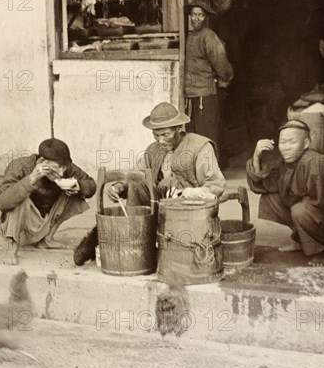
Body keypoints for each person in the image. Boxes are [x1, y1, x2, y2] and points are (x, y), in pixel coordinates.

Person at [74, 102, 226, 265]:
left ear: (178, 128)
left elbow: (216, 184)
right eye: (156, 135)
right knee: (136, 184)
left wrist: (192, 193)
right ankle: (133, 240)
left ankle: (136, 242)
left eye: (165, 134)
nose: (160, 140)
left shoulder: (200, 146)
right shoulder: (153, 150)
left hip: (187, 208)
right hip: (160, 204)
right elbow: (137, 175)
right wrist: (121, 186)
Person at [0, 138, 96, 265]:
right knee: (19, 198)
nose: (61, 173)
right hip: (18, 228)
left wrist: (79, 187)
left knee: (75, 190)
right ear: (42, 161)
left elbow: (91, 184)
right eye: (57, 167)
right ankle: (11, 248)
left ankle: (47, 239)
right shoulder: (19, 166)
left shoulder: (66, 168)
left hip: (43, 223)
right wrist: (31, 179)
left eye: (64, 167)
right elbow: (2, 202)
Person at [247, 119, 324, 266]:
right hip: (311, 213)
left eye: (292, 142)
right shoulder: (286, 162)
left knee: (299, 209)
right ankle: (302, 241)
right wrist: (256, 155)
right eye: (282, 142)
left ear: (306, 143)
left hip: (323, 215)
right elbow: (263, 184)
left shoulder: (314, 162)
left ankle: (322, 251)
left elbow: (321, 204)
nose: (286, 148)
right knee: (270, 197)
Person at [183, 0, 234, 164]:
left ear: (205, 17)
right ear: (190, 16)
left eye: (200, 15)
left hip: (206, 94)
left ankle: (213, 173)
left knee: (208, 136)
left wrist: (225, 78)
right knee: (194, 136)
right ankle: (200, 172)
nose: (196, 18)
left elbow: (221, 61)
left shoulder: (209, 36)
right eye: (194, 14)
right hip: (192, 95)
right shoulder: (190, 37)